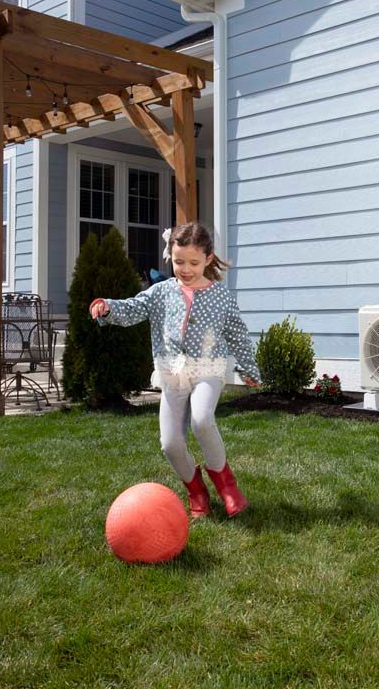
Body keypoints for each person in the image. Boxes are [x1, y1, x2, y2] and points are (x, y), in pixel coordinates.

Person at [89, 221, 260, 519]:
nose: (186, 268)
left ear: (208, 259)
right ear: (170, 255)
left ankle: (227, 486)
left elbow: (236, 334)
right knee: (169, 444)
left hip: (208, 368)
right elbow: (134, 307)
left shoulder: (221, 296)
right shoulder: (161, 292)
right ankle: (197, 491)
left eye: (194, 262)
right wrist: (108, 307)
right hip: (172, 372)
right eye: (179, 261)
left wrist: (249, 368)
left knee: (202, 419)